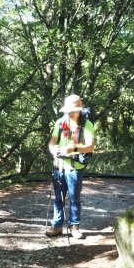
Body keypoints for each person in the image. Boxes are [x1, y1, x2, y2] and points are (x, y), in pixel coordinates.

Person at [46, 94, 95, 239]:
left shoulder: (87, 124)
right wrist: (54, 151)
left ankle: (75, 226)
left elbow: (90, 147)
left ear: (80, 109)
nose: (70, 113)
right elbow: (52, 142)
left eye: (73, 110)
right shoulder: (60, 122)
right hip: (59, 166)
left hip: (75, 167)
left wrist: (73, 149)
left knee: (74, 198)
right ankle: (57, 226)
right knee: (58, 198)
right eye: (68, 110)